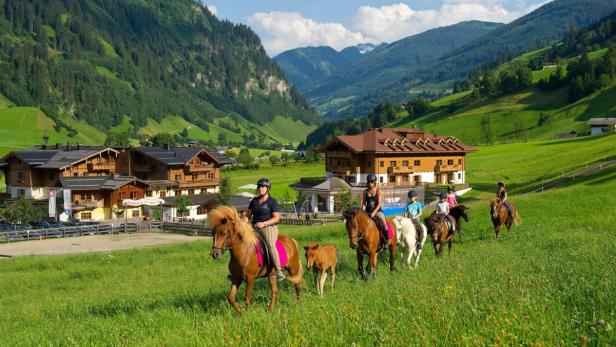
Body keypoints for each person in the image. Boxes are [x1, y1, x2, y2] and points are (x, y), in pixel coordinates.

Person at [243, 178, 285, 281]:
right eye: (259, 187)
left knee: (270, 245)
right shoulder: (254, 201)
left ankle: (278, 270)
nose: (261, 189)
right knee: (241, 243)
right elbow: (247, 216)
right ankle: (236, 271)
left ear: (268, 188)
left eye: (263, 187)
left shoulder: (272, 202)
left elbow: (276, 218)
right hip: (254, 227)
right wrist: (241, 224)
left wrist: (264, 223)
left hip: (269, 227)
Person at [362, 174, 388, 246]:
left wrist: (373, 213)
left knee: (384, 224)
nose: (370, 184)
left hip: (377, 211)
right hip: (367, 211)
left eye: (371, 182)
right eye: (369, 182)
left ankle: (386, 240)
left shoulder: (379, 191)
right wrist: (362, 212)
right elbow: (364, 204)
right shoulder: (365, 192)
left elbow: (379, 204)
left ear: (374, 182)